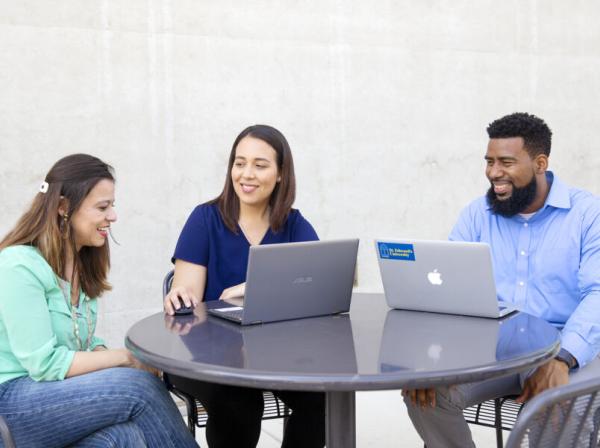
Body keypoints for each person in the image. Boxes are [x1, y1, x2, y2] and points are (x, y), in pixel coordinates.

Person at [404, 112, 600, 448]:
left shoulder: (587, 215)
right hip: (493, 350)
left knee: (559, 406)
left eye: (506, 162)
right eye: (489, 161)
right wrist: (429, 361)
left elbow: (598, 293)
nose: (494, 172)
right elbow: (446, 290)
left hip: (565, 345)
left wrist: (562, 357)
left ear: (540, 163)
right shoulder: (476, 215)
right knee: (426, 395)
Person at [0, 154, 198, 448]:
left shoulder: (82, 266)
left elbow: (85, 345)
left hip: (57, 395)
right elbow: (44, 364)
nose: (113, 216)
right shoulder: (18, 265)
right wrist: (128, 358)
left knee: (122, 438)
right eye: (103, 207)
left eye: (112, 205)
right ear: (64, 208)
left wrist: (113, 357)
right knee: (139, 387)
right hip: (15, 403)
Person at [163, 124, 326, 448]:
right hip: (208, 359)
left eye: (260, 165)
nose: (247, 174)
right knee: (239, 401)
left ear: (281, 174)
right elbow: (187, 302)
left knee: (320, 398)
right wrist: (182, 297)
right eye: (240, 163)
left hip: (277, 356)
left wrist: (259, 288)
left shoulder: (294, 225)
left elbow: (320, 288)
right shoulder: (205, 219)